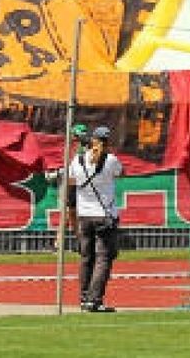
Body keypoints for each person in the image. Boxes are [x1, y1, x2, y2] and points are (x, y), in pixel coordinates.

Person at [68, 125, 124, 312]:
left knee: (86, 258)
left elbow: (71, 183)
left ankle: (84, 298)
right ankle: (95, 299)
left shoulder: (77, 160)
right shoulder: (111, 161)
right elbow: (121, 173)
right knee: (103, 259)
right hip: (104, 215)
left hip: (84, 215)